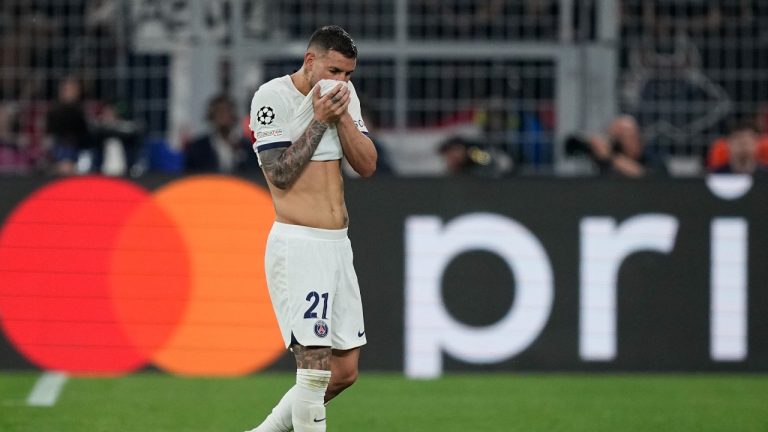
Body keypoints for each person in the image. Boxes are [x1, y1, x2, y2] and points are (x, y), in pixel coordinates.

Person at [245, 25, 376, 432]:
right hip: (299, 243)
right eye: (335, 71)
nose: (342, 82)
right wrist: (319, 121)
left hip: (338, 244)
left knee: (343, 372)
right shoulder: (272, 97)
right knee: (315, 368)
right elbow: (279, 175)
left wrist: (342, 120)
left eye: (349, 75)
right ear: (310, 61)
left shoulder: (343, 99)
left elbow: (368, 166)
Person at [184, 94, 254, 173]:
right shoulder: (197, 149)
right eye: (219, 112)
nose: (222, 116)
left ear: (233, 116)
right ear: (211, 116)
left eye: (226, 111)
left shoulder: (247, 148)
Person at [582, 114, 666, 177]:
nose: (616, 143)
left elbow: (645, 179)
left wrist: (611, 156)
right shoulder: (608, 159)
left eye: (620, 137)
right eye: (613, 138)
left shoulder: (654, 158)